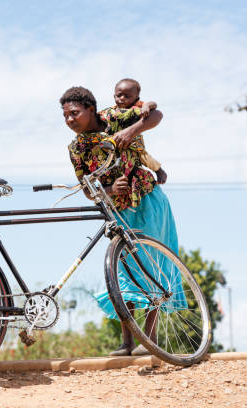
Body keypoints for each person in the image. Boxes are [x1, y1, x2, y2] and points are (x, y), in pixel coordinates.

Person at [61, 86, 185, 357]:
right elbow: (86, 187)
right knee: (122, 276)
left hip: (147, 200)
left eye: (74, 113)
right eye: (65, 116)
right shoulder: (76, 148)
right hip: (117, 210)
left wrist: (132, 130)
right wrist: (108, 191)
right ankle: (127, 342)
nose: (69, 119)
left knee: (152, 265)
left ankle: (149, 339)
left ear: (90, 109)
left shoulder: (114, 118)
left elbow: (156, 115)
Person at [99, 78, 167, 185]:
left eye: (127, 96)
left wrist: (146, 106)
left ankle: (159, 171)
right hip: (115, 143)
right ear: (114, 96)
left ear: (136, 98)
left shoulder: (137, 107)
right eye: (119, 95)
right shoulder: (110, 111)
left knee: (143, 156)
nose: (122, 98)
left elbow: (153, 105)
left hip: (134, 142)